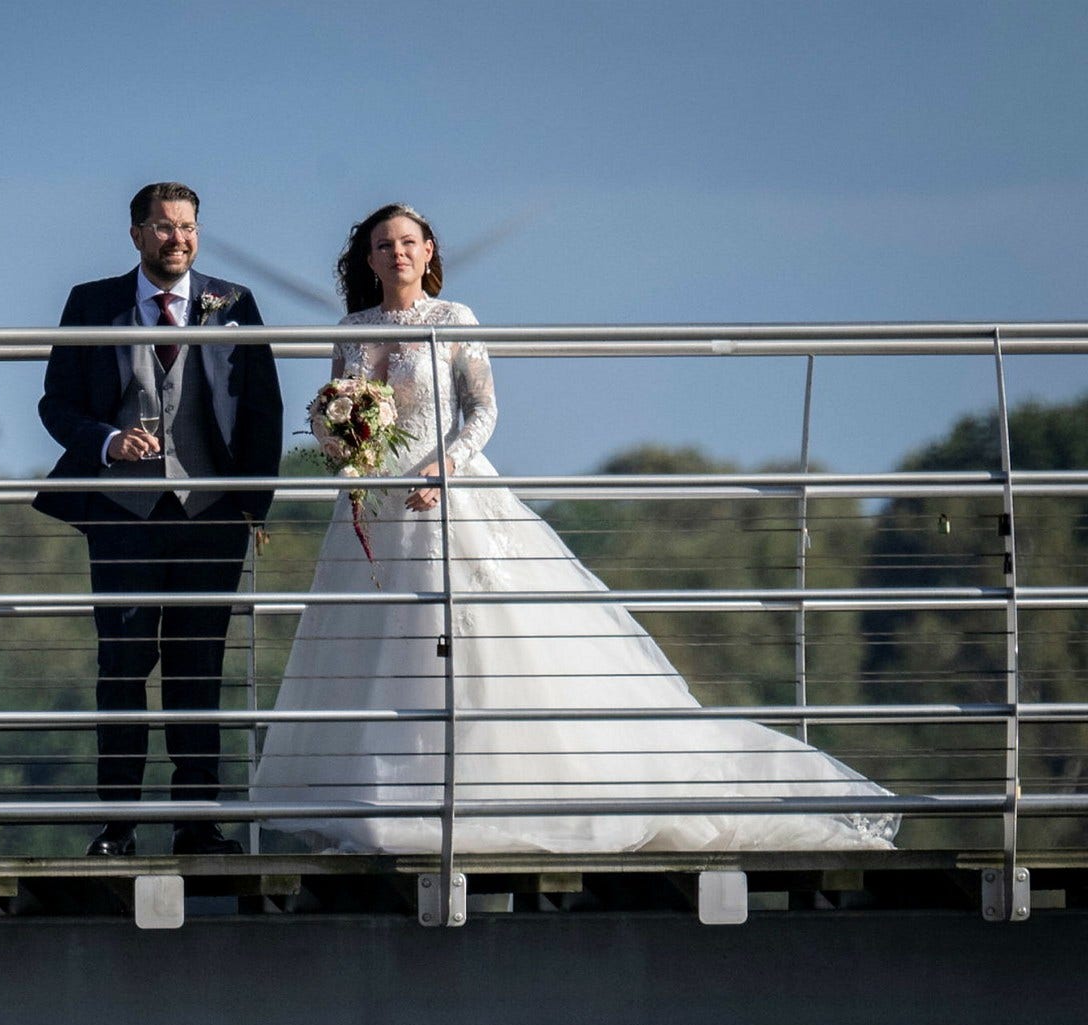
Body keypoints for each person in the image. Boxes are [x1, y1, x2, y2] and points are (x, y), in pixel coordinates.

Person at [252, 204, 897, 853]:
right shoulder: (353, 328)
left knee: (456, 638)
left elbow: (483, 410)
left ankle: (463, 792)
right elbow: (339, 409)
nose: (397, 253)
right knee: (365, 643)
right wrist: (345, 449)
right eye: (384, 244)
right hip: (374, 506)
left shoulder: (455, 320)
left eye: (408, 242)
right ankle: (374, 793)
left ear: (428, 252)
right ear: (367, 259)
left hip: (444, 493)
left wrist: (445, 467)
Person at [35, 182, 283, 856]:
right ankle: (116, 827)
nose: (180, 239)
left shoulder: (234, 303)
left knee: (198, 670)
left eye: (190, 227)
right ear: (137, 234)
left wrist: (249, 508)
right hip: (124, 512)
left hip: (211, 516)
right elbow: (54, 404)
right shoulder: (92, 304)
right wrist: (107, 442)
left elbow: (263, 405)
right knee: (122, 666)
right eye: (166, 227)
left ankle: (197, 824)